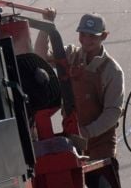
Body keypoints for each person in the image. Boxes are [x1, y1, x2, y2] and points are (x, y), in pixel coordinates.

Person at [34, 9, 125, 160]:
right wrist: (47, 24)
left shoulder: (113, 71)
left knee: (103, 183)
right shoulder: (70, 55)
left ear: (103, 36)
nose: (86, 40)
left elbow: (113, 112)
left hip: (101, 144)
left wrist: (84, 133)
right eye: (83, 34)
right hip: (73, 142)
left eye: (92, 36)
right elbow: (40, 56)